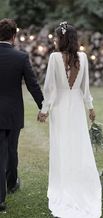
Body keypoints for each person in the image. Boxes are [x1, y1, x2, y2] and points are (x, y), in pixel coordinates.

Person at [38, 22, 102, 218]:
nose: (55, 40)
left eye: (56, 37)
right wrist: (90, 107)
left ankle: (64, 184)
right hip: (75, 107)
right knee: (78, 145)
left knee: (62, 145)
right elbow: (85, 88)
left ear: (62, 39)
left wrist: (44, 110)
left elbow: (50, 88)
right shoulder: (83, 57)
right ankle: (77, 182)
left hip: (60, 107)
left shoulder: (55, 58)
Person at [0, 18, 44, 211]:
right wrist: (43, 106)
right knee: (11, 150)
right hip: (13, 112)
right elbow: (33, 84)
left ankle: (2, 198)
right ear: (14, 36)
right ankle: (11, 184)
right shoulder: (21, 57)